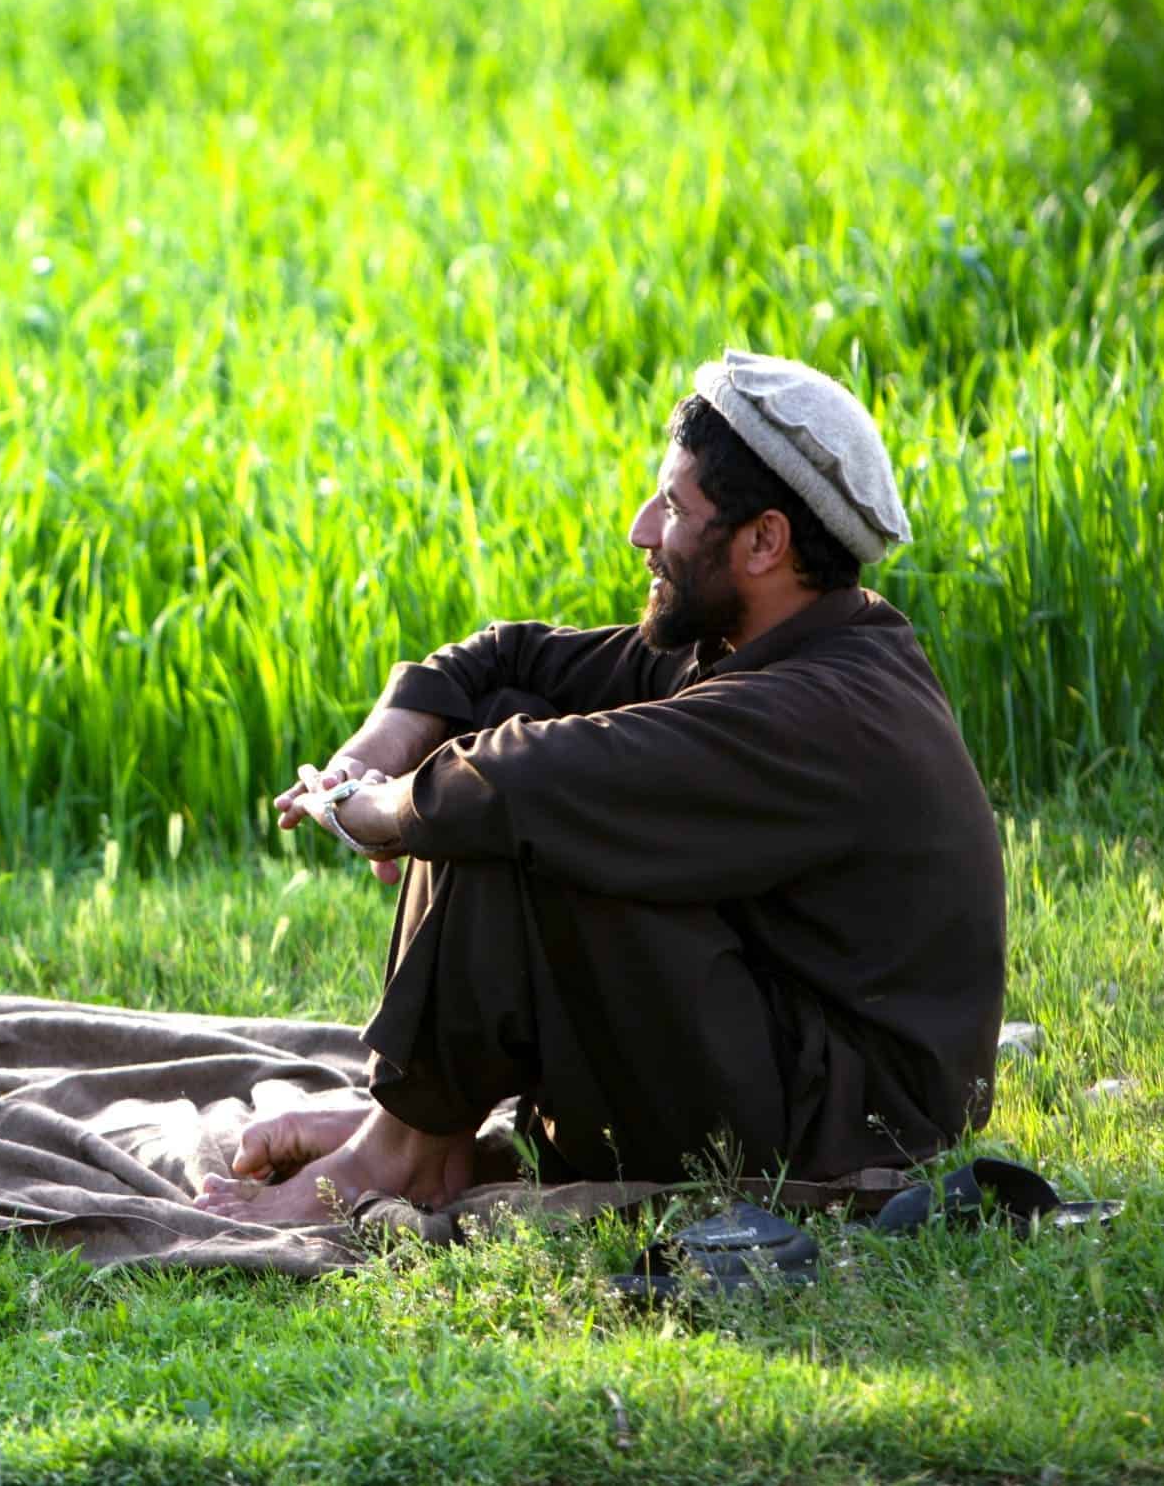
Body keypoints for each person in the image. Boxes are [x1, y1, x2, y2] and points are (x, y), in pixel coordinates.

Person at [198, 349, 1005, 1223]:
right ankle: (415, 1132)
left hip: (847, 1120)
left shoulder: (819, 709)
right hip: (776, 1049)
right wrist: (375, 750)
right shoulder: (753, 644)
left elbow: (522, 780)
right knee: (509, 742)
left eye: (675, 505)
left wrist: (385, 814)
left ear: (765, 540)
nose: (642, 527)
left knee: (523, 800)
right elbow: (506, 658)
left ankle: (393, 1161)